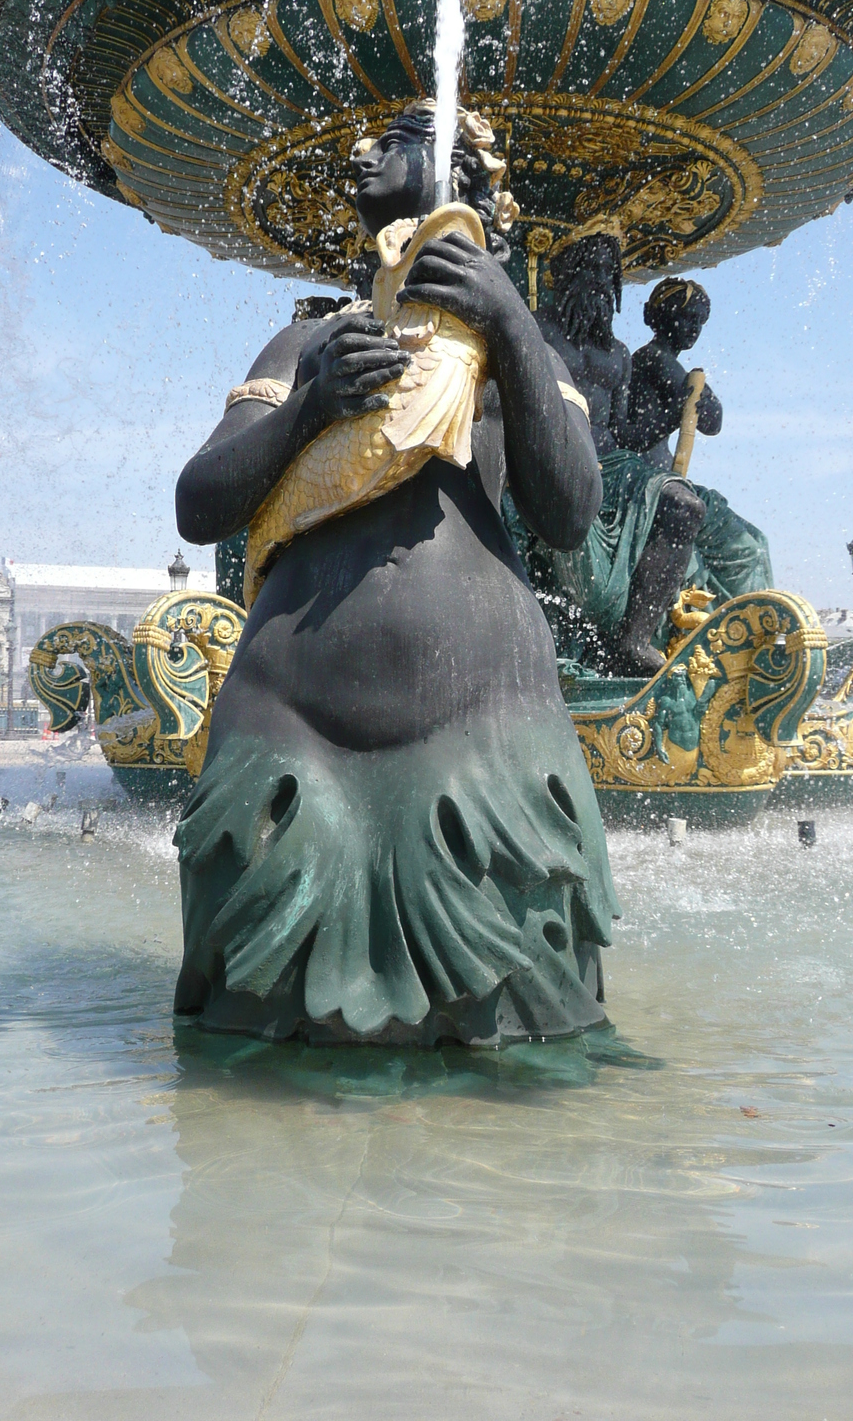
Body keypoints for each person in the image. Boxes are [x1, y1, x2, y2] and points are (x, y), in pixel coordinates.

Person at [172, 100, 620, 1046]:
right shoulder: (308, 344)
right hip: (292, 733)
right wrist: (306, 409)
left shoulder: (515, 345)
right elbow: (198, 504)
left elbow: (570, 512)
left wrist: (508, 324)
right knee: (256, 1039)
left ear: (463, 176)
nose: (362, 151)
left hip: (484, 733)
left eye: (400, 138)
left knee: (519, 1043)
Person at [514, 237, 712, 677]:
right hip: (555, 452)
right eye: (593, 269)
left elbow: (625, 433)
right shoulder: (534, 330)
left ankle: (633, 640)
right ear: (564, 276)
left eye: (610, 274)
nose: (602, 283)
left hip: (615, 464)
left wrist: (674, 418)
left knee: (686, 504)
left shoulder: (619, 355)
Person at [620, 278, 773, 610]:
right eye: (687, 317)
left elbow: (710, 419)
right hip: (651, 483)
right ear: (661, 316)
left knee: (751, 543)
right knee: (749, 548)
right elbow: (707, 416)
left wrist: (691, 404)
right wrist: (684, 408)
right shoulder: (654, 358)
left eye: (700, 322)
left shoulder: (659, 361)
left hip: (662, 481)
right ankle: (755, 626)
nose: (694, 328)